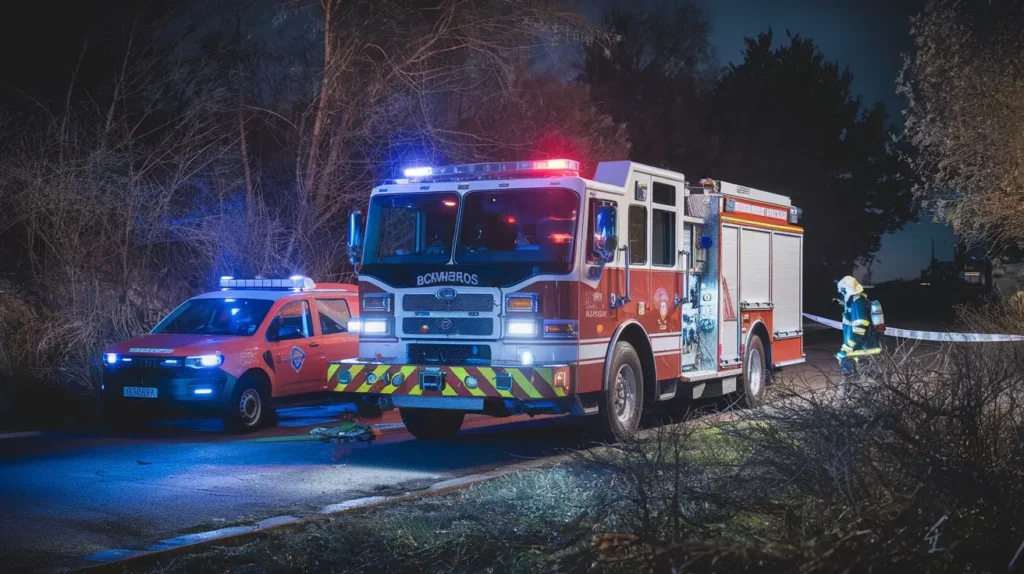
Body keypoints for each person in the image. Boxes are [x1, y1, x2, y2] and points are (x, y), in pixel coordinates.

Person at [835, 276, 881, 376]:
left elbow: (859, 327)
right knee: (865, 377)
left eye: (841, 293)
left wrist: (848, 347)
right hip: (862, 347)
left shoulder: (857, 302)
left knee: (856, 380)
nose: (841, 296)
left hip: (860, 348)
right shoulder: (858, 301)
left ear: (845, 291)